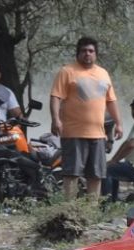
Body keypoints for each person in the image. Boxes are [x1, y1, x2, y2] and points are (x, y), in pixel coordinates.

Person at [50, 36, 123, 201]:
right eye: (83, 51)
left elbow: (111, 101)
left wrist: (119, 123)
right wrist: (56, 119)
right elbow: (55, 97)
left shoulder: (103, 73)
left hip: (98, 134)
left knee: (96, 174)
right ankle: (69, 210)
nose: (87, 54)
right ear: (78, 53)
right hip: (73, 132)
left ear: (96, 54)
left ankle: (91, 212)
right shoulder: (67, 71)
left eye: (91, 51)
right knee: (71, 173)